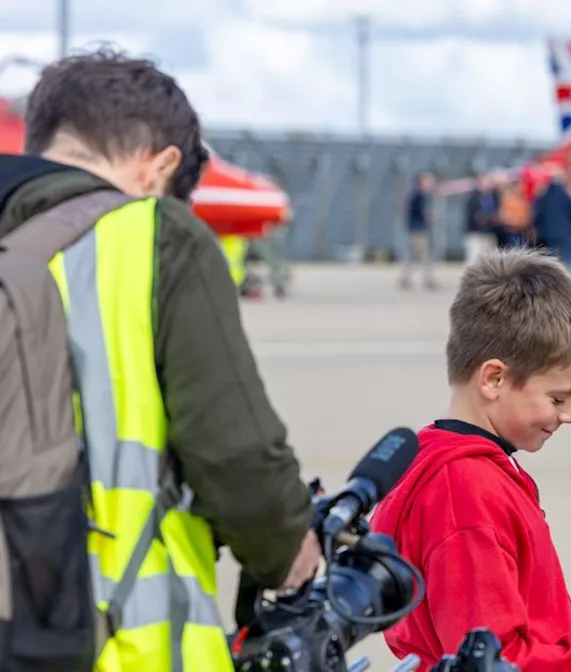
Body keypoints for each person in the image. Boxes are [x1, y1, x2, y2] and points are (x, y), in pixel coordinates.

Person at [0, 47, 320, 671]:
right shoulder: (154, 234)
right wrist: (289, 551)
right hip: (115, 637)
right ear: (161, 167)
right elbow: (235, 451)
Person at [369, 247, 571, 672]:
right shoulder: (463, 493)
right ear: (494, 379)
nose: (570, 415)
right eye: (558, 398)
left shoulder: (460, 463)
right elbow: (495, 660)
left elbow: (519, 618)